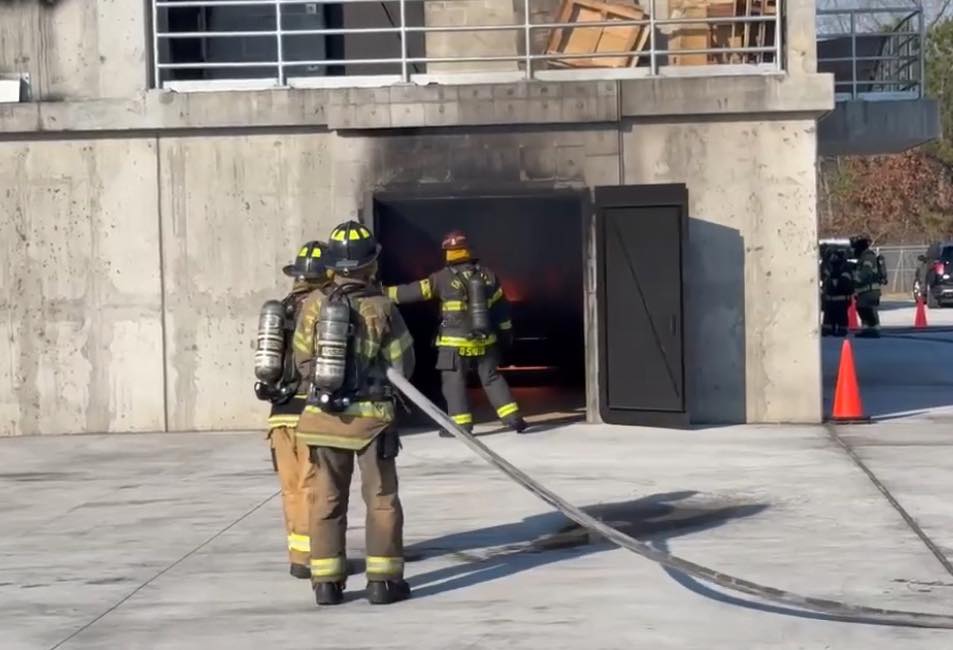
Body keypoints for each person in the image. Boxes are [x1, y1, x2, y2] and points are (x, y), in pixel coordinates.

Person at [292, 220, 415, 606]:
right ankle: (383, 582)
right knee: (381, 499)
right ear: (370, 264)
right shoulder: (382, 306)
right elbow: (404, 364)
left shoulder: (313, 305)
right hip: (372, 422)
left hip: (322, 420)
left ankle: (326, 584)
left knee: (326, 500)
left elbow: (301, 361)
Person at [255, 241, 332, 580]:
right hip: (311, 414)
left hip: (279, 415)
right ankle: (321, 557)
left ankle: (299, 558)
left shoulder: (281, 309)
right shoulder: (326, 309)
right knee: (315, 488)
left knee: (291, 489)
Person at [851, 236, 885, 338]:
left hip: (870, 290)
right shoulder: (863, 257)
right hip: (864, 291)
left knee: (869, 309)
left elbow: (866, 272)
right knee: (862, 309)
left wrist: (856, 279)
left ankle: (874, 329)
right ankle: (866, 329)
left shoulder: (868, 257)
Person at [821, 249, 853, 337]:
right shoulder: (829, 268)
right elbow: (825, 281)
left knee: (841, 315)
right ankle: (828, 329)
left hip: (841, 300)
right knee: (829, 315)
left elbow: (846, 285)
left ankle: (841, 329)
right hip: (831, 299)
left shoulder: (845, 269)